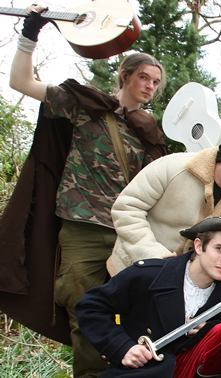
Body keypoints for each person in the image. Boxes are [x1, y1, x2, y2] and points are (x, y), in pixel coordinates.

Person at [0, 6, 167, 377]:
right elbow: (20, 83)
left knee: (139, 316)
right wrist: (29, 35)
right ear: (125, 76)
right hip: (84, 227)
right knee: (86, 309)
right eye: (144, 77)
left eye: (156, 82)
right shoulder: (85, 105)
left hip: (132, 233)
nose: (150, 86)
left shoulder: (150, 132)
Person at [108, 130, 221, 373]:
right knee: (117, 347)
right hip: (135, 273)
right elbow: (126, 208)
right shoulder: (173, 167)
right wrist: (158, 260)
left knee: (165, 359)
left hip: (186, 295)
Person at [76, 216, 221, 377]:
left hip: (190, 371)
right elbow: (91, 307)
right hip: (143, 372)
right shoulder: (149, 274)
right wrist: (122, 347)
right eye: (220, 249)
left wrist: (208, 331)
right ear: (199, 246)